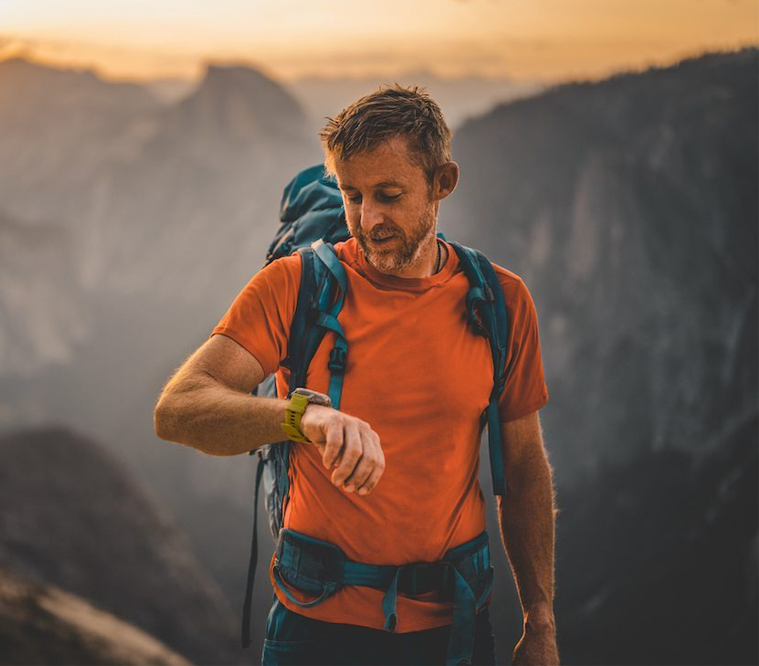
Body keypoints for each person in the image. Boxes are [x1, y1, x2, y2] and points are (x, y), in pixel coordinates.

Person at [153, 85, 559, 666]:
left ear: (442, 182)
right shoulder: (296, 285)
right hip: (315, 631)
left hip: (453, 628)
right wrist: (302, 417)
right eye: (352, 195)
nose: (367, 220)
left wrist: (540, 620)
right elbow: (178, 409)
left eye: (389, 195)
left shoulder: (500, 301)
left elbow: (523, 466)